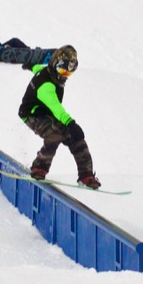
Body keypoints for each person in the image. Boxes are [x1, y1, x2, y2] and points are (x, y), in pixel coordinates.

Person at [17, 45, 99, 188]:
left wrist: (31, 66)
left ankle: (86, 175)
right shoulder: (46, 86)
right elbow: (55, 107)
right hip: (31, 114)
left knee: (75, 137)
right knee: (54, 135)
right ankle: (39, 167)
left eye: (68, 73)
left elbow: (39, 69)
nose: (64, 76)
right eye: (62, 71)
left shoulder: (49, 72)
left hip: (46, 113)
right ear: (55, 64)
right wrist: (71, 123)